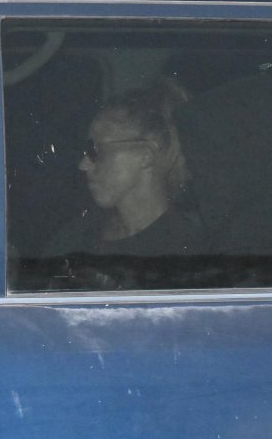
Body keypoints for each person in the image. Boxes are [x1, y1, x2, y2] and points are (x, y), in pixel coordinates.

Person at [41, 79, 206, 290]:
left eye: (96, 150)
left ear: (145, 155)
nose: (83, 165)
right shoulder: (78, 233)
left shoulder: (187, 253)